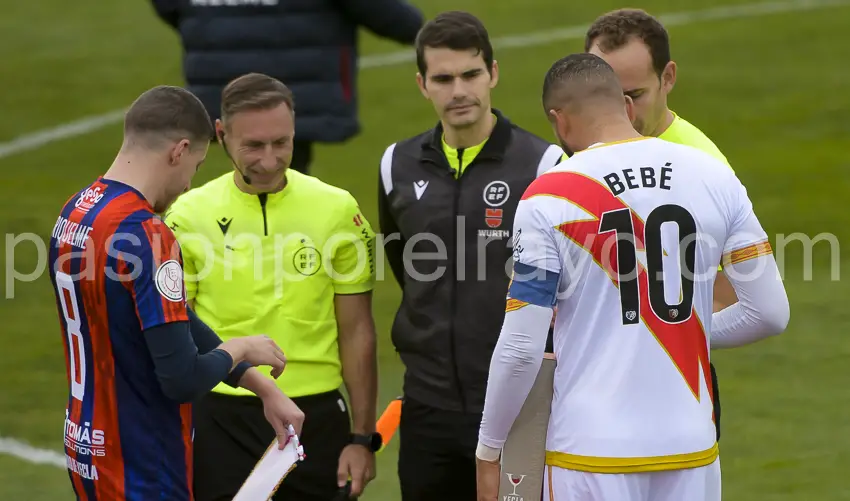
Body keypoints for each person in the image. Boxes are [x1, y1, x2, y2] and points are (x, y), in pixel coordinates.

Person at [475, 53, 790, 501]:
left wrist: (490, 448)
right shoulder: (714, 176)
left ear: (558, 121)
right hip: (693, 449)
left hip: (589, 454)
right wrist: (679, 332)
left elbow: (522, 346)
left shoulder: (547, 196)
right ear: (625, 105)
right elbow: (770, 314)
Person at [48, 85, 305, 501]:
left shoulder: (76, 211)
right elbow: (182, 380)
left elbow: (171, 321)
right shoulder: (146, 235)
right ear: (178, 151)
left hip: (87, 446)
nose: (188, 185)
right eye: (196, 166)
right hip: (142, 460)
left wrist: (262, 387)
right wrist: (240, 348)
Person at [163, 73, 381, 501]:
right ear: (221, 135)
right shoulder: (187, 216)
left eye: (281, 143)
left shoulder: (338, 210)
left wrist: (361, 438)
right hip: (223, 418)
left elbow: (358, 331)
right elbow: (175, 329)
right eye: (254, 146)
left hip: (316, 415)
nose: (269, 159)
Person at [377, 11, 565, 501]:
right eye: (443, 78)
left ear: (493, 74)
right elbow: (406, 268)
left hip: (517, 405)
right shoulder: (395, 165)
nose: (458, 90)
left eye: (470, 75)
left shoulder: (544, 165)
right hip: (427, 406)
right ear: (422, 84)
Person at [584, 8, 739, 441]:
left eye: (635, 94)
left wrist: (645, 341)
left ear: (668, 77)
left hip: (674, 399)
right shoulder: (575, 158)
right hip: (589, 400)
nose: (621, 113)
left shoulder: (704, 168)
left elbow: (733, 297)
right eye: (606, 96)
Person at [149, 0, 424, 175]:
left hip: (220, 81)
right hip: (294, 89)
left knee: (247, 181)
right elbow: (386, 14)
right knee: (282, 182)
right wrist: (424, 30)